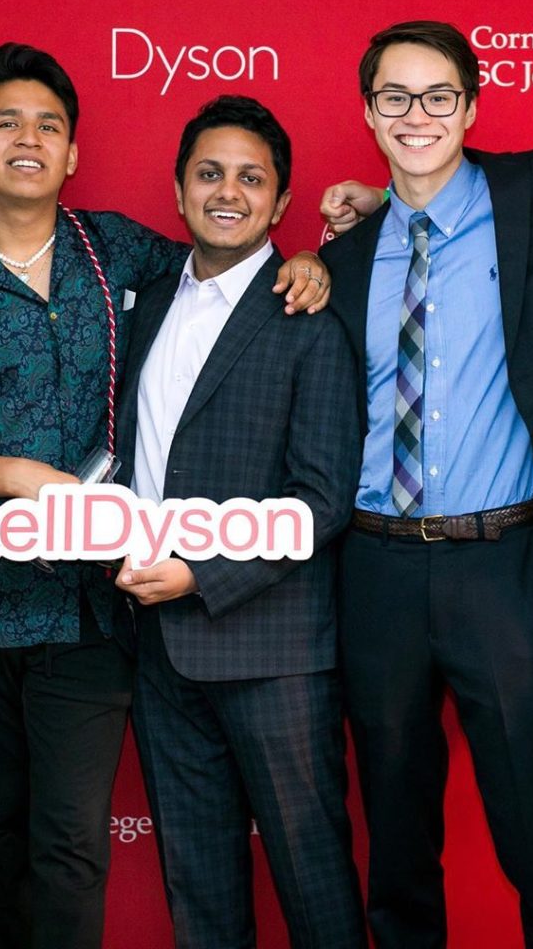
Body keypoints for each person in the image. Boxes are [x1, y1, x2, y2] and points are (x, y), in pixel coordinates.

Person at [0, 42, 331, 949]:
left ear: (73, 153)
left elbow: (233, 261)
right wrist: (14, 478)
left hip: (93, 611)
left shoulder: (123, 251)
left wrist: (314, 260)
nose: (28, 139)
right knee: (4, 834)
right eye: (6, 122)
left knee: (73, 845)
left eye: (49, 125)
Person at [317, 20, 533, 948]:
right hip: (376, 569)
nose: (417, 115)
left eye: (439, 96)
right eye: (395, 97)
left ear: (472, 107)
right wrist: (367, 209)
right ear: (368, 112)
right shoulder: (346, 257)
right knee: (394, 827)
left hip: (501, 561)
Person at [113, 95, 364, 948]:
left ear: (281, 202)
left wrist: (201, 572)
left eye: (251, 178)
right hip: (158, 648)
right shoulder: (145, 302)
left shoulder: (308, 318)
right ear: (179, 189)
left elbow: (322, 499)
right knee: (201, 890)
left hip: (274, 651)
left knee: (314, 880)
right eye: (210, 174)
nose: (229, 192)